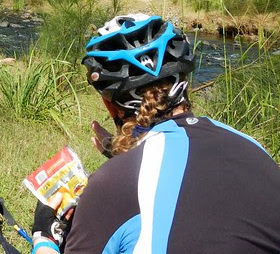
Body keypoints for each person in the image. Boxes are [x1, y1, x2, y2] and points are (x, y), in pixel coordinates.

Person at [30, 14, 280, 254]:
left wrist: (45, 238)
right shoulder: (253, 146)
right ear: (184, 82)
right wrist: (129, 158)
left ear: (110, 105)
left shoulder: (111, 184)